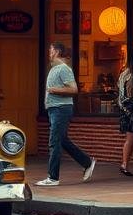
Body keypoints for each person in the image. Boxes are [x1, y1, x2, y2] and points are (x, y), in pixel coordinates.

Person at [36, 41, 96, 186]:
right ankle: (87, 162)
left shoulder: (63, 69)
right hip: (54, 110)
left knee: (54, 142)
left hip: (61, 109)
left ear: (57, 51)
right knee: (61, 140)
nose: (49, 53)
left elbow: (74, 89)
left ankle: (53, 178)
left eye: (50, 50)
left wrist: (54, 90)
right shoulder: (54, 69)